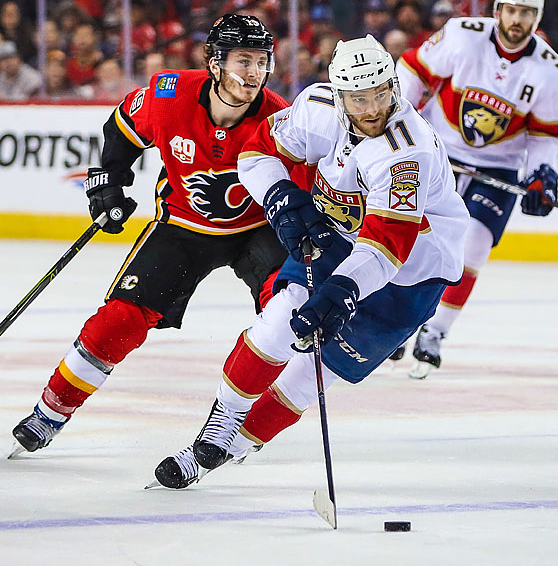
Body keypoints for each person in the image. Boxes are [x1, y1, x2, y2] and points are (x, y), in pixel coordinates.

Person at [151, 35, 468, 489]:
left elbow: (386, 248)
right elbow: (257, 153)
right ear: (339, 95)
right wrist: (279, 196)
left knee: (309, 375)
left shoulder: (405, 153)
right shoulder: (315, 108)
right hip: (339, 237)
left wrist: (341, 292)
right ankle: (216, 431)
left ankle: (232, 447)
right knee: (279, 320)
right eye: (359, 97)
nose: (373, 107)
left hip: (414, 271)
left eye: (381, 92)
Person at [9, 14, 291, 457]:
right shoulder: (169, 95)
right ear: (214, 63)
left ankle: (233, 427)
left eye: (261, 62)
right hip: (183, 226)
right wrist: (107, 182)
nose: (253, 73)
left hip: (259, 232)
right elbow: (120, 128)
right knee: (120, 319)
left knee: (286, 315)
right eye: (242, 61)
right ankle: (52, 410)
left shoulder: (282, 119)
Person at [393, 0, 558, 379]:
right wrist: (401, 120)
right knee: (415, 236)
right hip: (439, 151)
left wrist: (543, 174)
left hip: (498, 167)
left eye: (526, 13)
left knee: (473, 248)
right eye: (511, 10)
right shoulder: (462, 34)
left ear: (535, 17)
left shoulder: (551, 70)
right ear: (498, 11)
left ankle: (434, 333)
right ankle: (399, 323)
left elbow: (545, 136)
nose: (517, 20)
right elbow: (413, 70)